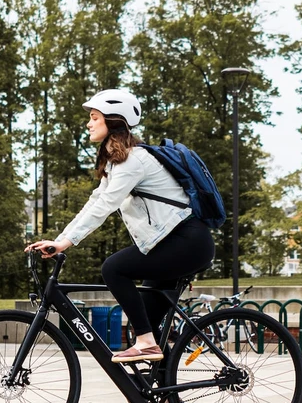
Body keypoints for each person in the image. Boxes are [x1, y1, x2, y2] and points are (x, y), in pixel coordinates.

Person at [25, 88, 216, 365]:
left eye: (94, 117)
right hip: (172, 244)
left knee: (113, 268)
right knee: (144, 325)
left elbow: (105, 206)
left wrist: (65, 244)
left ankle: (148, 344)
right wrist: (61, 238)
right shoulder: (118, 162)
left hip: (187, 242)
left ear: (113, 120)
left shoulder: (133, 161)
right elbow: (96, 201)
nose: (88, 124)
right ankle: (161, 398)